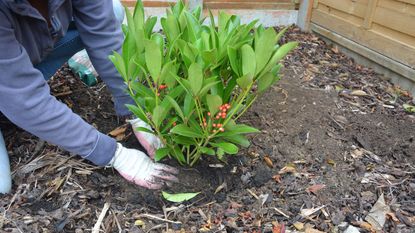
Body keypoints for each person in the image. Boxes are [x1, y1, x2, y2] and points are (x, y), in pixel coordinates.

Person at [0, 0, 178, 194]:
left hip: (14, 57)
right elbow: (26, 101)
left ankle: (17, 74)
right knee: (2, 186)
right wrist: (115, 155)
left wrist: (133, 110)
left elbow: (103, 36)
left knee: (113, 11)